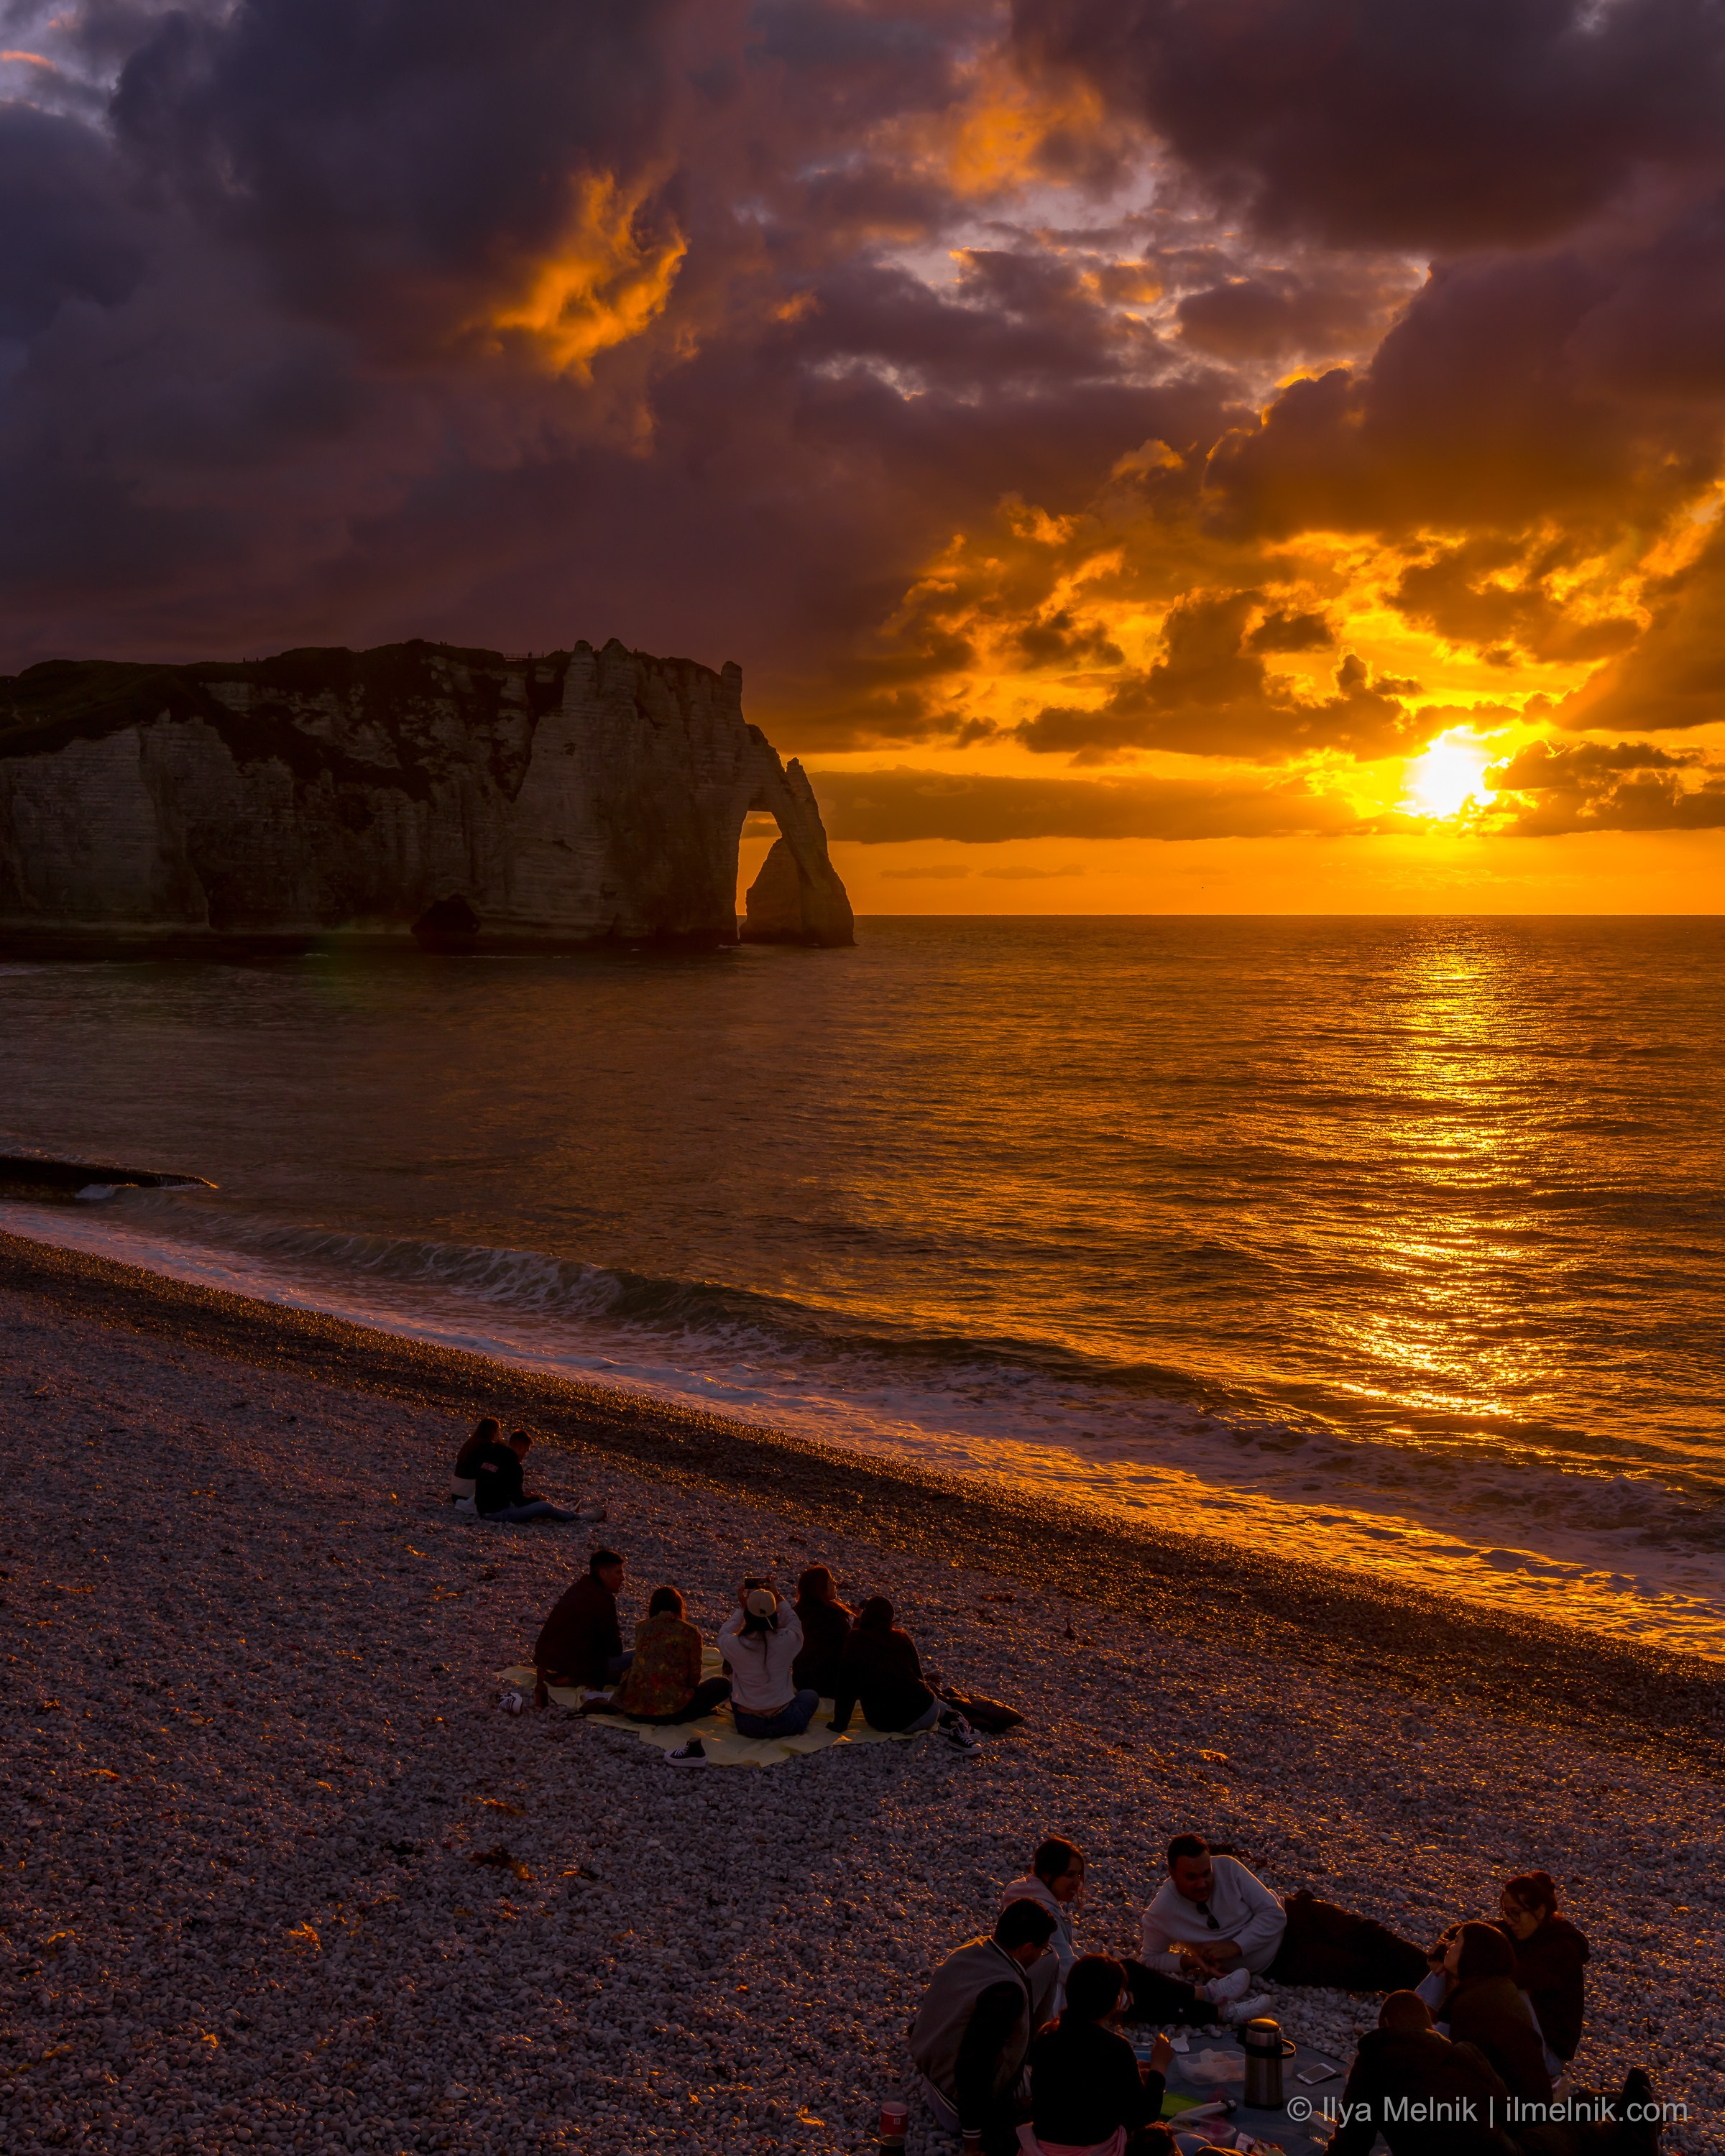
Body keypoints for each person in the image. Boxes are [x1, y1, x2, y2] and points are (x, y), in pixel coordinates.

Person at [1141, 1833, 1427, 1994]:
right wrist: (1192, 1961)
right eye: (1192, 1877)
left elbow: (1274, 1914)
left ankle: (1436, 1972)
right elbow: (1150, 1958)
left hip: (1297, 1915)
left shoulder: (1227, 1868)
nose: (1203, 1883)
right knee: (1358, 1971)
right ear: (1172, 1874)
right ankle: (1429, 1997)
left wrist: (1235, 1946)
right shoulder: (1161, 1913)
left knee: (1368, 1934)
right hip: (1278, 1963)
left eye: (1206, 1873)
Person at [909, 1899, 1059, 2156]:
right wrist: (973, 2141)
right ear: (1026, 1947)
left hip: (932, 2077)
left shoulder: (971, 1950)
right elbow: (974, 2067)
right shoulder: (1005, 1991)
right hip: (958, 2107)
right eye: (1041, 1948)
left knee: (1052, 1962)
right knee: (1068, 2081)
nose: (1042, 1954)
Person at [1327, 1991, 1521, 2156]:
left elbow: (1350, 2143)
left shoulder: (1376, 2061)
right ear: (1429, 2026)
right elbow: (1511, 2113)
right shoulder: (1468, 2054)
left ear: (1386, 2024)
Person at [1025, 1953, 1172, 2156]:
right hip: (1095, 2149)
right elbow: (1144, 2115)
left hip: (1043, 2146)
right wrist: (1159, 2067)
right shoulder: (1116, 2047)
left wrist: (1130, 2073)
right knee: (1160, 2138)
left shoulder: (1047, 2036)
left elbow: (1075, 2082)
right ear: (1116, 2002)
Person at [828, 1596, 978, 1750]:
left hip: (888, 1722)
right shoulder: (902, 1637)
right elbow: (919, 1678)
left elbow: (847, 1685)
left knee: (907, 1696)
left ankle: (955, 1720)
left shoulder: (855, 1641)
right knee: (925, 1695)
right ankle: (955, 1720)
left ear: (866, 1617)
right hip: (927, 1712)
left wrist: (840, 1724)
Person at [1432, 1922, 1553, 2107]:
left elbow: (1467, 2073)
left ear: (1472, 1953)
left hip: (1512, 2115)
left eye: (1456, 1942)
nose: (1448, 1946)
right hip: (1532, 2104)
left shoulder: (1473, 2003)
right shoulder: (1497, 1987)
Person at [1497, 1871, 1589, 2078]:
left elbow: (1515, 1978)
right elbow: (1468, 1932)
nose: (1510, 1921)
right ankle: (1433, 2028)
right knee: (1455, 1957)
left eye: (1515, 1913)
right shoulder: (1517, 1928)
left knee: (1505, 1990)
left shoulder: (1562, 1948)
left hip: (1546, 2056)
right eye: (1505, 1913)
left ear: (1539, 1912)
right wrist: (1444, 1953)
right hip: (1521, 2042)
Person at [609, 1586, 732, 1727]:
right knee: (723, 1684)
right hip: (671, 1712)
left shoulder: (642, 1627)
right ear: (679, 1607)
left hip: (634, 1710)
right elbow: (694, 1678)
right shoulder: (690, 1632)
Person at [713, 1577, 819, 1739]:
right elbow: (794, 1622)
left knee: (733, 1684)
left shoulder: (736, 1644)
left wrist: (742, 1608)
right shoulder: (787, 1639)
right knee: (810, 1695)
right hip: (786, 1721)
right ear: (775, 1613)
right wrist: (777, 1596)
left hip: (749, 1725)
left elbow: (724, 1633)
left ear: (748, 1614)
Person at [533, 1549, 630, 1704]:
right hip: (568, 1674)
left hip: (547, 1669)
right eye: (619, 1573)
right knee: (638, 1657)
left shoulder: (578, 1589)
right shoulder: (603, 1599)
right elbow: (615, 1650)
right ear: (603, 1573)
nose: (623, 1578)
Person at [475, 1429, 579, 1525]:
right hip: (497, 1513)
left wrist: (525, 1496)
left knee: (534, 1504)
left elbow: (500, 1487)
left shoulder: (493, 1454)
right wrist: (537, 1499)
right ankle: (576, 1516)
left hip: (482, 1509)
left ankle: (562, 1511)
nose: (525, 1455)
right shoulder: (513, 1465)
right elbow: (519, 1502)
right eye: (526, 1451)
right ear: (520, 1448)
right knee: (545, 1506)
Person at [791, 1565, 852, 1695]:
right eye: (831, 1581)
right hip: (833, 1684)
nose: (835, 1584)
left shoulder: (796, 1614)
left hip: (802, 1681)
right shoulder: (835, 1617)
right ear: (820, 1587)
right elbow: (847, 1649)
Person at [451, 1415, 498, 1504]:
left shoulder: (470, 1443)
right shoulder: (487, 1446)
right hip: (468, 1496)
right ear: (492, 1431)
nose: (499, 1434)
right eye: (498, 1431)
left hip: (455, 1494)